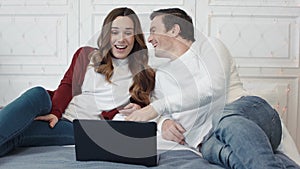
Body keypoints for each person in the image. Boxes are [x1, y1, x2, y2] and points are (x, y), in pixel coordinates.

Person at [126, 8, 300, 168]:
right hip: (205, 141)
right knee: (228, 157)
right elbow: (158, 109)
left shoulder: (209, 46)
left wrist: (157, 108)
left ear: (174, 30)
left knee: (225, 120)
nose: (149, 38)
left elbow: (212, 87)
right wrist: (164, 122)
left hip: (247, 113)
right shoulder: (163, 74)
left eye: (154, 30)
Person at [0, 7, 155, 157]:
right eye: (115, 32)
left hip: (78, 127)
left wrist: (138, 107)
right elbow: (67, 85)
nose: (121, 39)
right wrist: (55, 112)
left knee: (18, 133)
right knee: (38, 93)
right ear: (108, 35)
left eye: (128, 33)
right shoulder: (87, 54)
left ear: (136, 37)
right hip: (57, 109)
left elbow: (140, 108)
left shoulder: (142, 74)